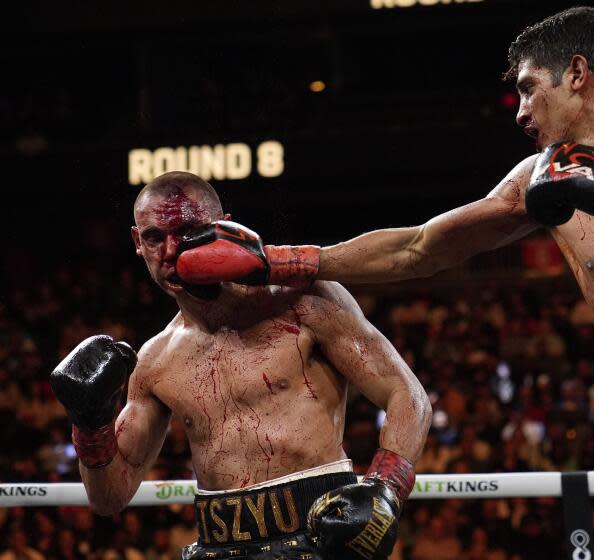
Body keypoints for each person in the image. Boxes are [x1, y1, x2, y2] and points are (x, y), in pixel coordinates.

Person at [173, 6, 594, 557]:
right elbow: (417, 249)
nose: (517, 109)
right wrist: (276, 262)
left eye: (527, 86)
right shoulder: (537, 182)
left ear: (577, 73)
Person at [50, 171, 432, 560]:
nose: (170, 252)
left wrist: (385, 488)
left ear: (222, 229)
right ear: (137, 242)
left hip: (321, 534)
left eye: (186, 233)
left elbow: (408, 395)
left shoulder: (304, 304)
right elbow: (110, 497)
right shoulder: (155, 361)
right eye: (154, 237)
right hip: (219, 545)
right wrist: (90, 427)